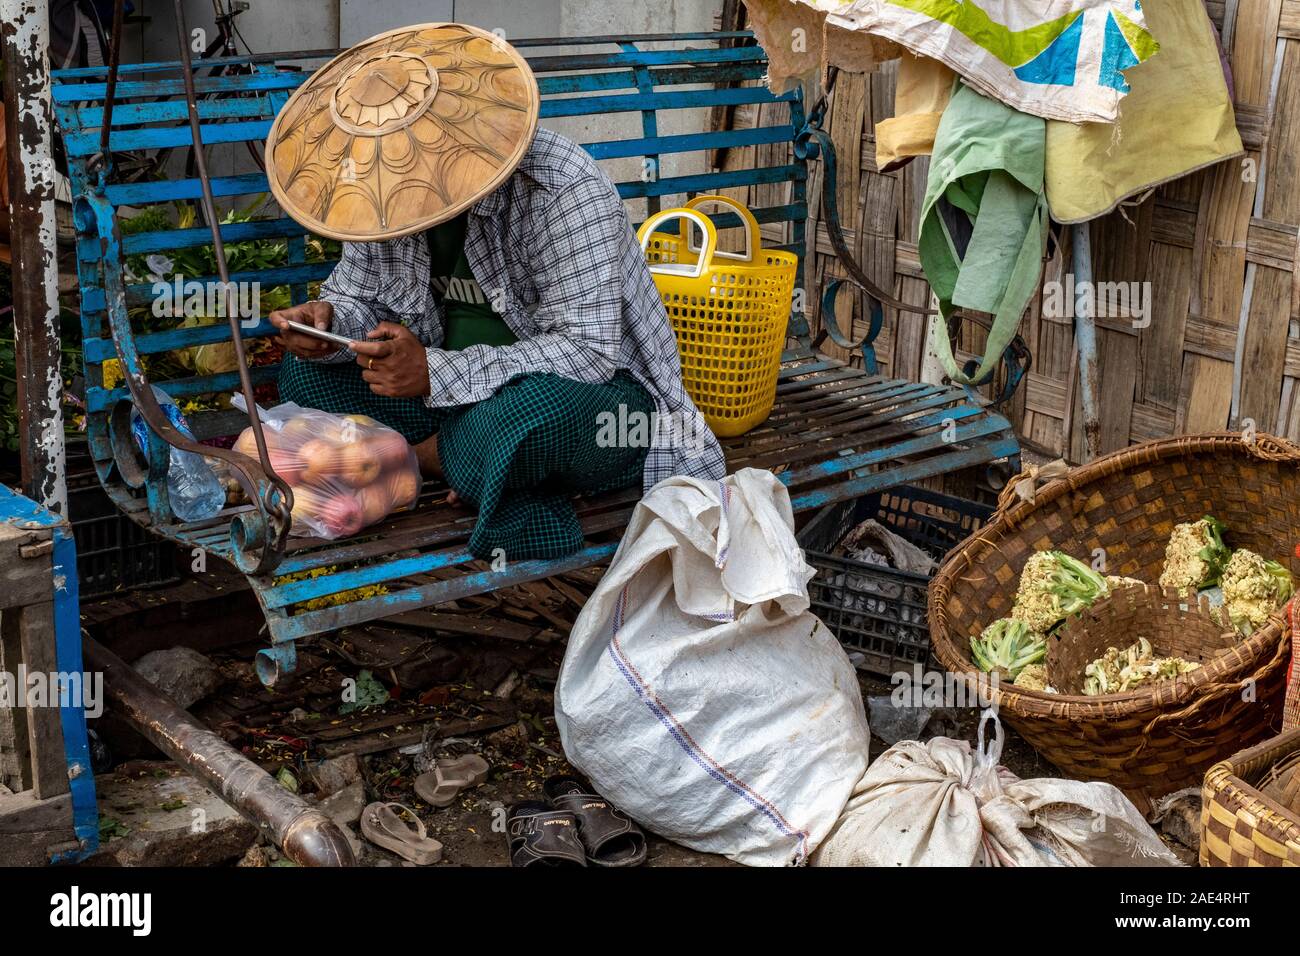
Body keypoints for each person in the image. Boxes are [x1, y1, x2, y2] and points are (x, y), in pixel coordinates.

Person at [263, 23, 724, 561]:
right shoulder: (381, 195)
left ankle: (426, 458)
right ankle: (476, 461)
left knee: (534, 414)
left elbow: (590, 352)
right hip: (453, 407)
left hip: (598, 404)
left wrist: (436, 372)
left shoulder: (560, 186)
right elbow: (361, 297)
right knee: (306, 373)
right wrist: (329, 325)